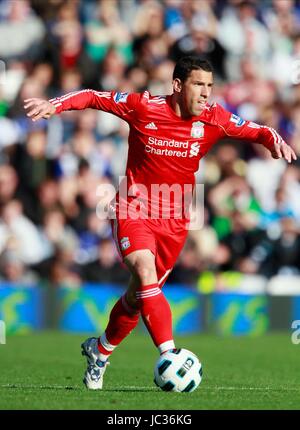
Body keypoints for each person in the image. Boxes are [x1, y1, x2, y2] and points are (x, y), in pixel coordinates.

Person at [24, 56, 297, 390]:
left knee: (138, 297)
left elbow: (257, 130)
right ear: (178, 85)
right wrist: (55, 106)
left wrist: (274, 141)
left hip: (175, 222)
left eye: (210, 86)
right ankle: (171, 355)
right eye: (199, 84)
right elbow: (94, 96)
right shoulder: (143, 107)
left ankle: (99, 351)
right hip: (133, 208)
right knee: (144, 271)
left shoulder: (214, 118)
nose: (205, 93)